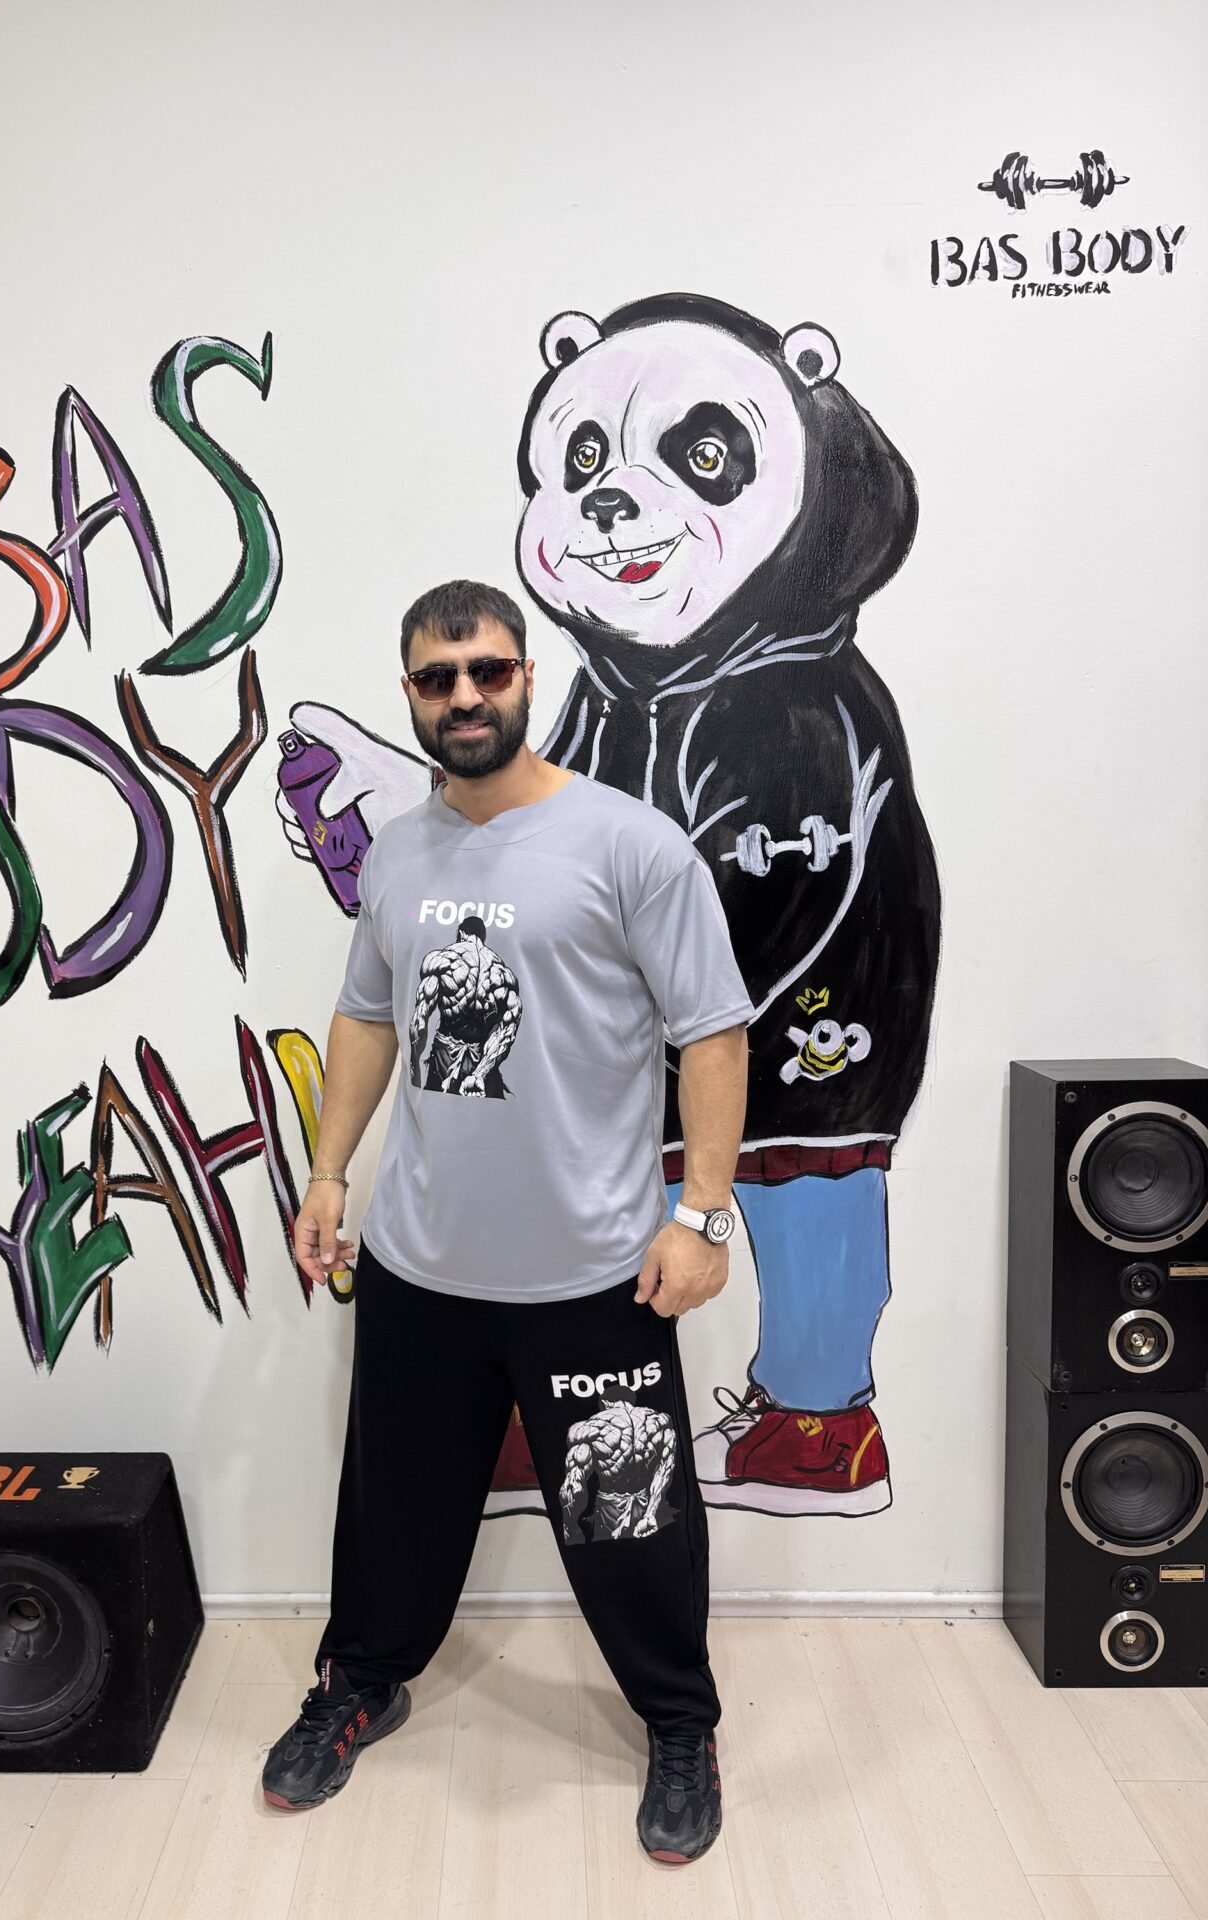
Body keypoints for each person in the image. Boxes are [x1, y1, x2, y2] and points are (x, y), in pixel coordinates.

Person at [262, 580, 752, 1865]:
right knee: (394, 1513)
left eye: (486, 670)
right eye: (438, 678)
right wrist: (329, 1174)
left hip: (594, 1275)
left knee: (629, 1527)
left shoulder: (629, 844)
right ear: (411, 695)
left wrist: (703, 1216)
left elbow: (713, 1030)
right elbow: (368, 1016)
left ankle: (679, 1724)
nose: (465, 696)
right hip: (422, 1267)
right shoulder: (400, 854)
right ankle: (362, 1683)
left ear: (526, 676)